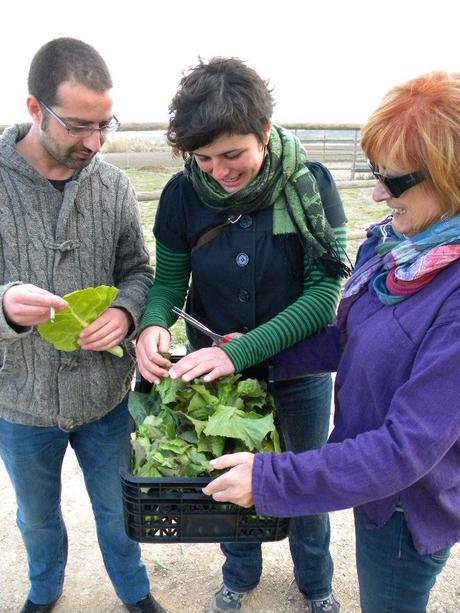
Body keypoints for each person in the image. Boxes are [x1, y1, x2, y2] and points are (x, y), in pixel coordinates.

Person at [203, 71, 460, 613]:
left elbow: (405, 450)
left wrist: (271, 478)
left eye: (395, 179)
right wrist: (251, 350)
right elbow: (350, 338)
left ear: (451, 177)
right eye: (375, 172)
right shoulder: (396, 245)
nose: (376, 192)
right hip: (370, 483)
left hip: (407, 501)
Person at [136, 57, 349, 613]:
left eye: (233, 155)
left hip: (298, 372)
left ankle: (316, 584)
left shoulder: (309, 186)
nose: (218, 171)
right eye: (203, 158)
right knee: (226, 479)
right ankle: (240, 573)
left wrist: (246, 352)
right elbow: (168, 281)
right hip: (216, 372)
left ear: (265, 131)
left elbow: (324, 297)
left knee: (304, 483)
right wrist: (155, 321)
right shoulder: (183, 196)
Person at [0, 38, 166, 613]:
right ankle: (45, 590)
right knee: (37, 516)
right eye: (79, 126)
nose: (95, 143)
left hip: (104, 397)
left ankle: (134, 591)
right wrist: (3, 305)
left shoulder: (114, 186)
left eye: (105, 125)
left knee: (121, 508)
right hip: (20, 401)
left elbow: (139, 271)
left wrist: (123, 311)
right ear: (34, 108)